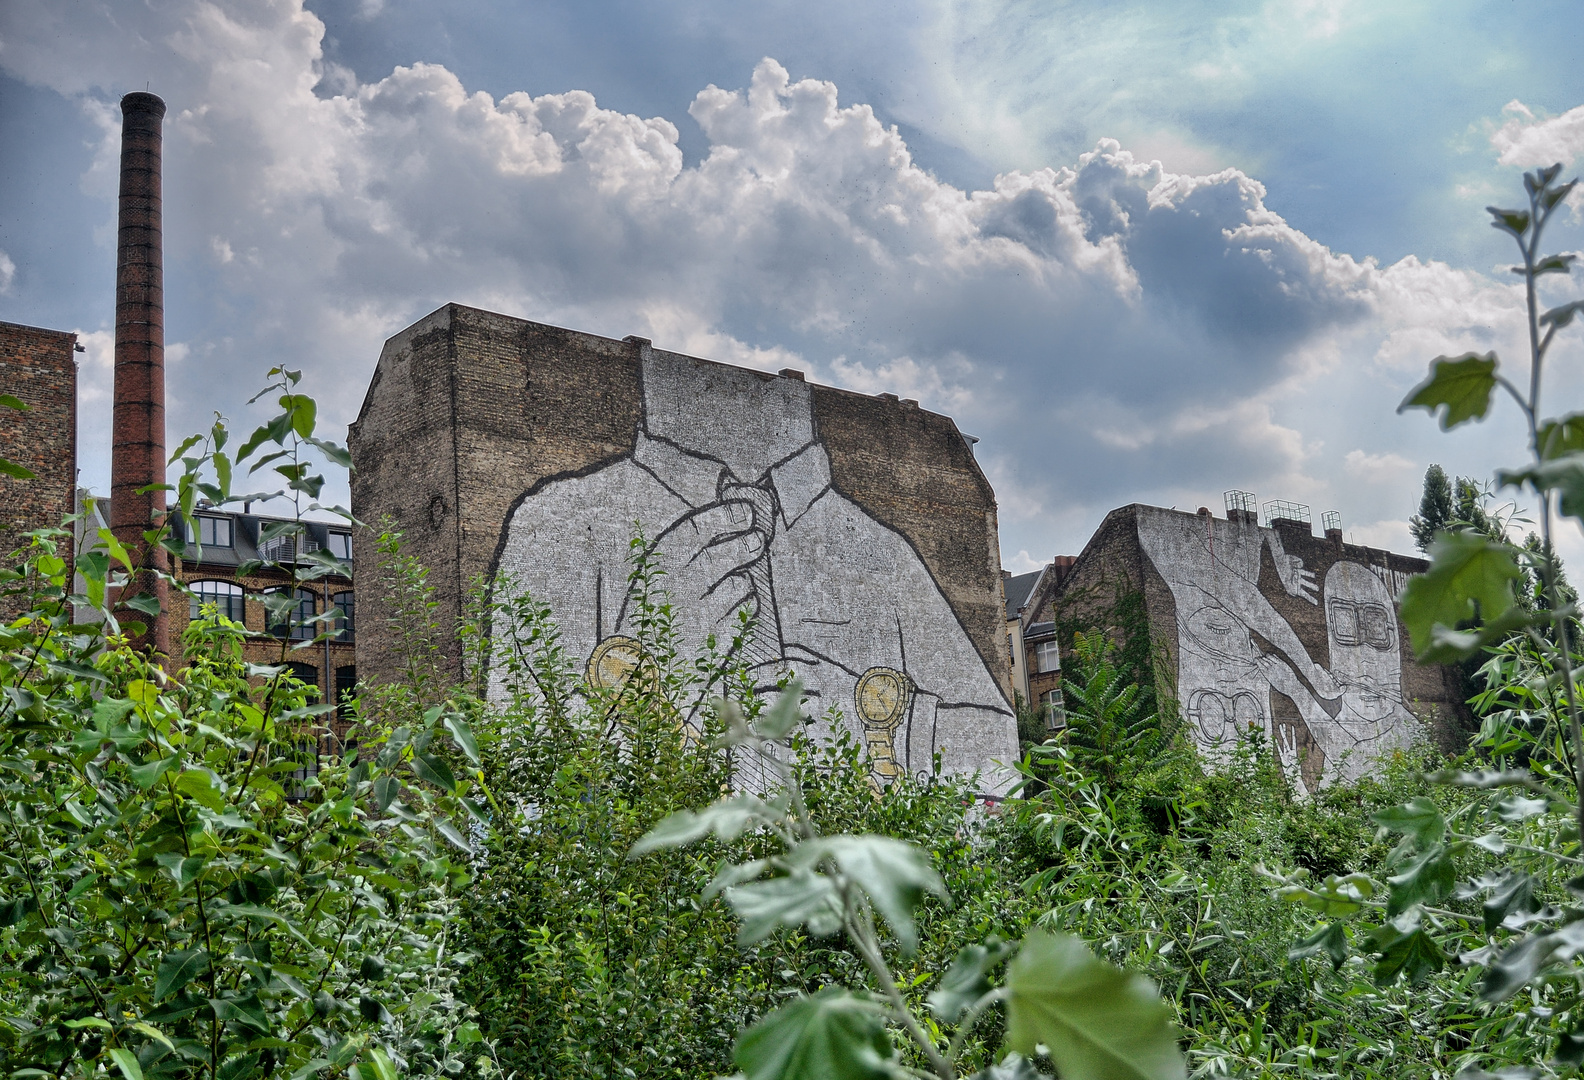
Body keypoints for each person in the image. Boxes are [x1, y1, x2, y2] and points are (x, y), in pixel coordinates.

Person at [493, 346, 1017, 792]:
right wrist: (652, 672)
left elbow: (1001, 769)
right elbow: (521, 783)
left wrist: (868, 720)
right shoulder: (558, 524)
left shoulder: (884, 553)